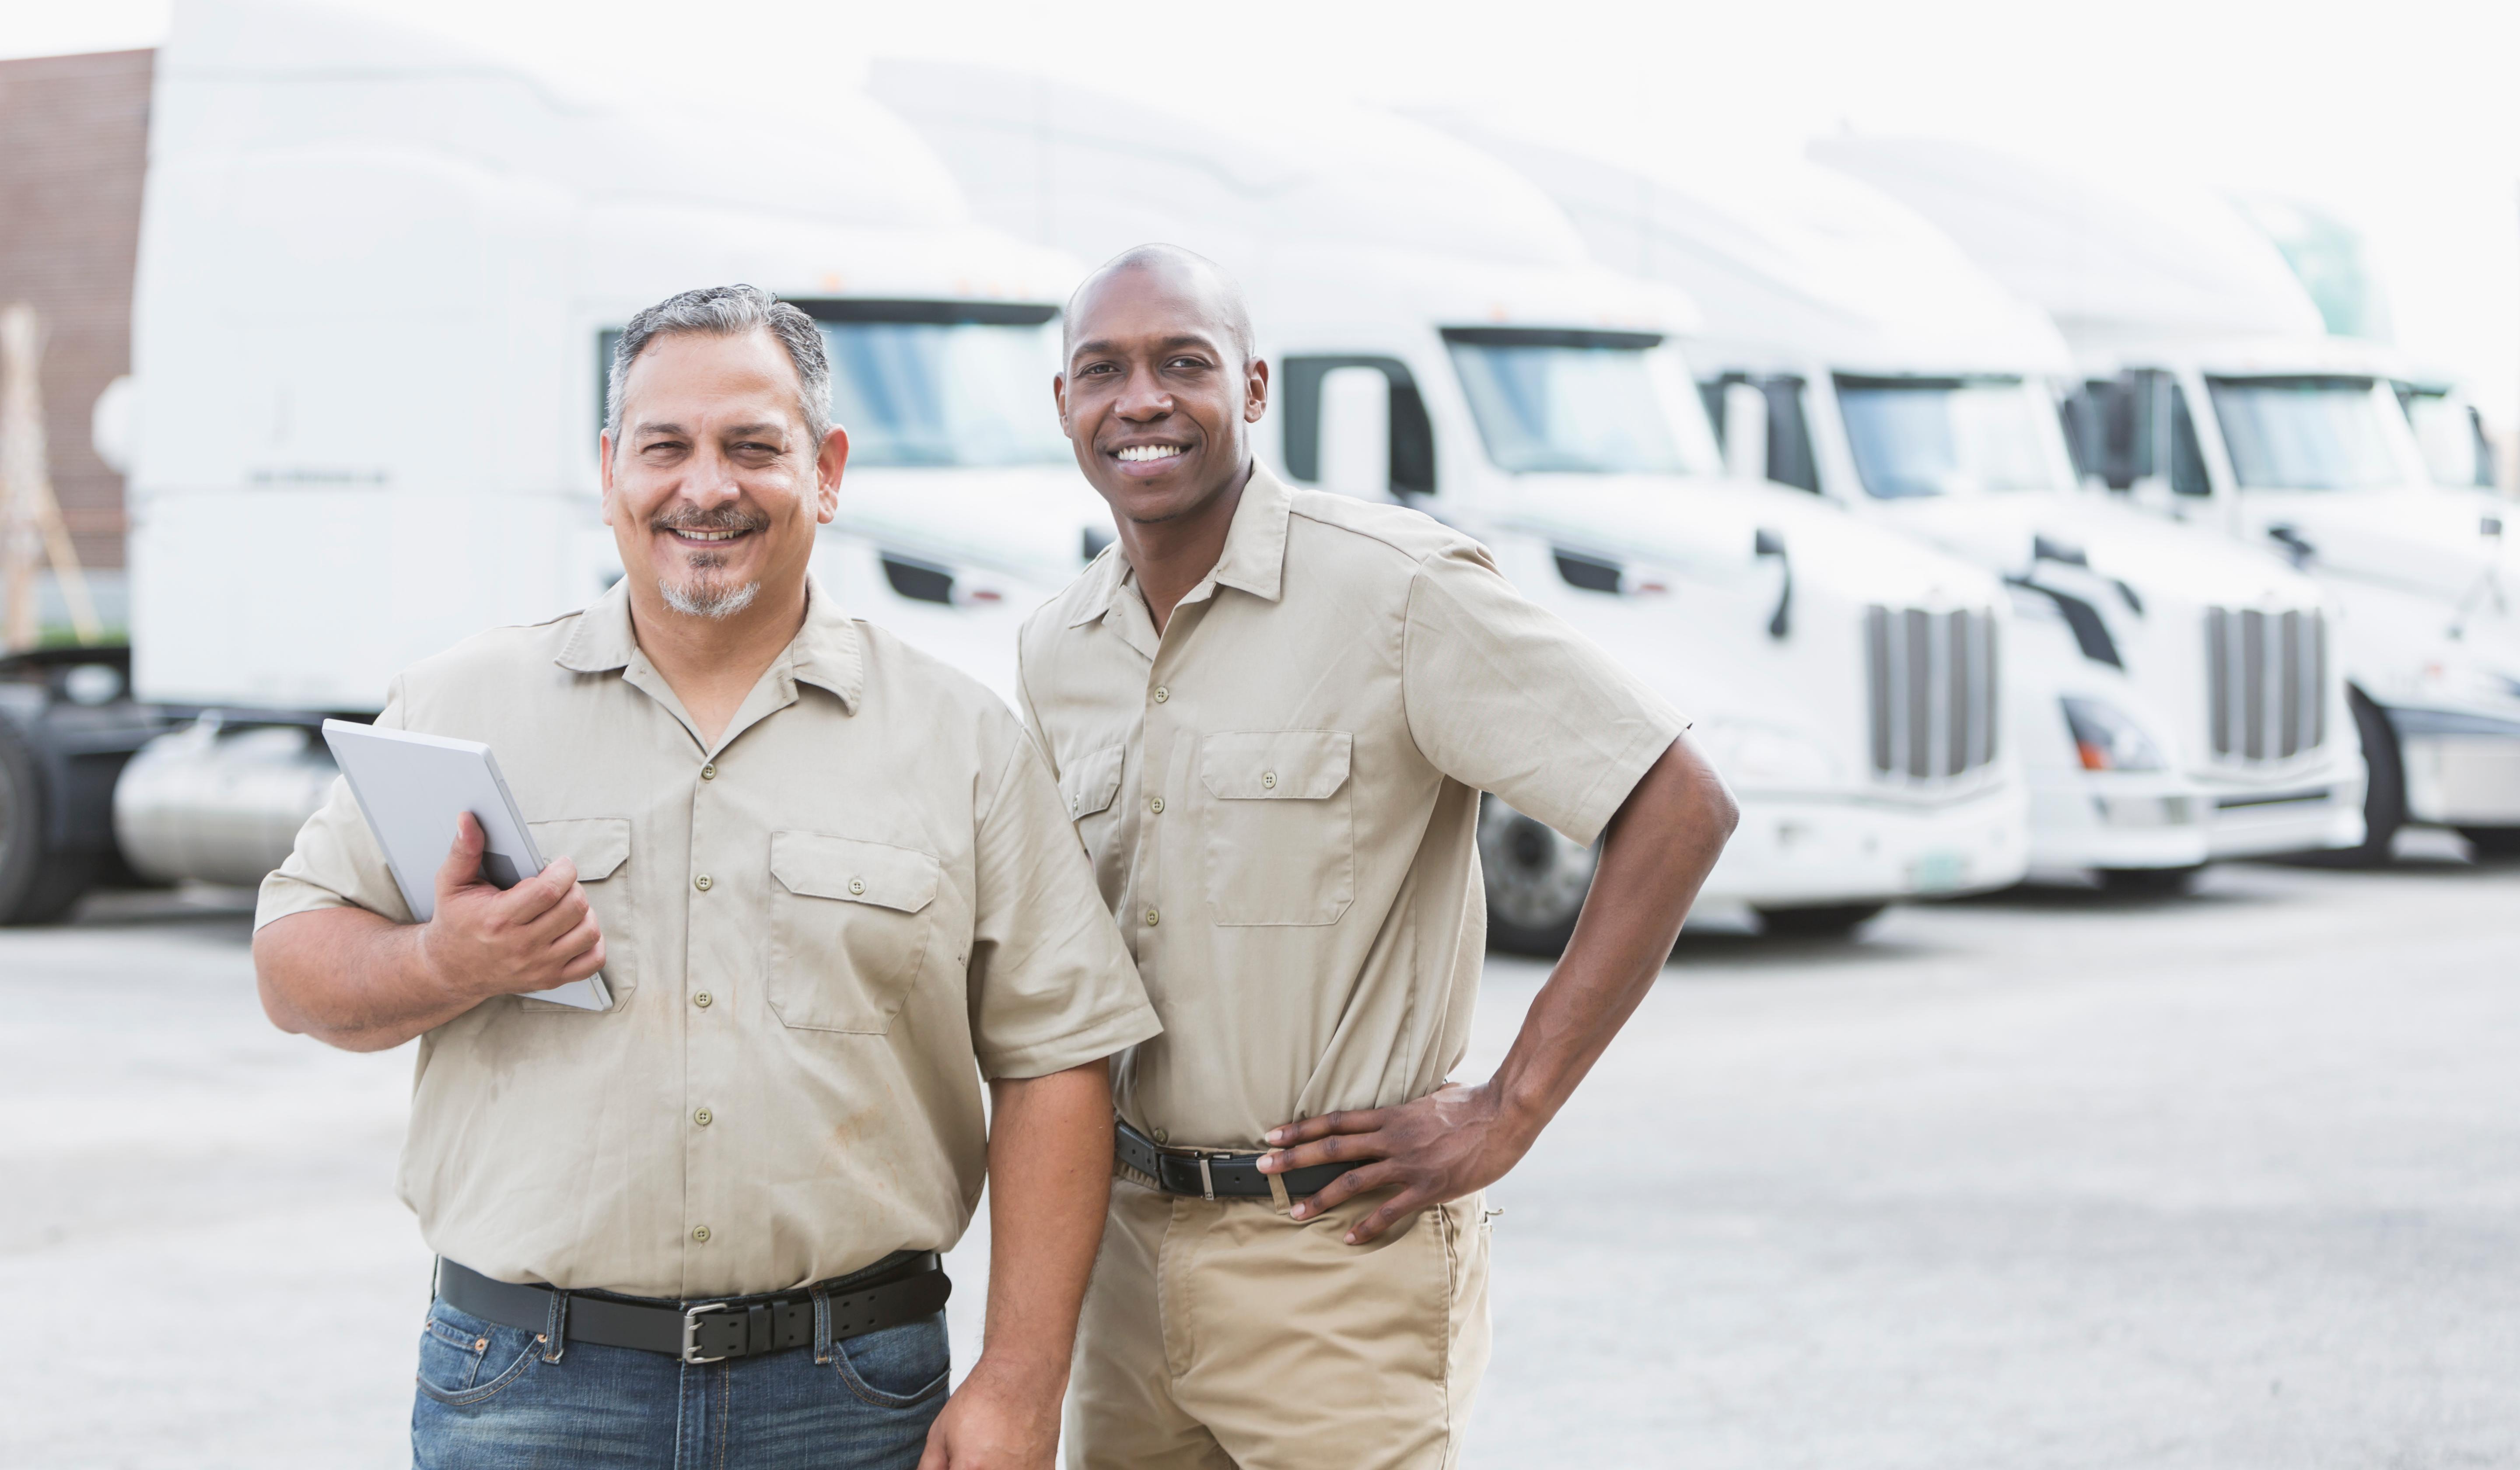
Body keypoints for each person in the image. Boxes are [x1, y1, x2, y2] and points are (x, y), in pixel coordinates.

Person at [252, 285, 1161, 1470]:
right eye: (664, 447)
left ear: (827, 470)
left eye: (752, 447)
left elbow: (1056, 1064)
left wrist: (1022, 1383)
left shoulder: (963, 742)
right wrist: (443, 961)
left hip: (854, 1399)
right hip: (530, 1394)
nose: (706, 488)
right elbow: (292, 967)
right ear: (609, 468)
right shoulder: (459, 706)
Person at [1018, 246, 1739, 1469]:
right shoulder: (1059, 648)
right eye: (1105, 370)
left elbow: (1677, 804)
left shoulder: (1397, 591)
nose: (1141, 400)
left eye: (1182, 364)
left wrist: (1510, 1108)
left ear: (1252, 391)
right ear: (1066, 408)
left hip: (1333, 1264)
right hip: (1125, 1264)